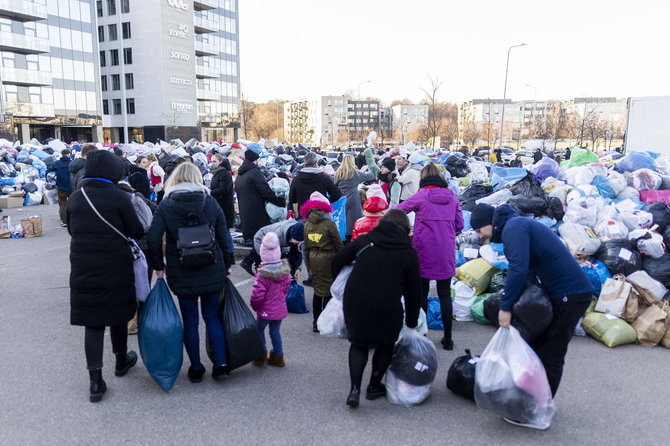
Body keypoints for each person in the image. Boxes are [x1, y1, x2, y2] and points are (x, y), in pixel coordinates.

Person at [470, 203, 593, 403]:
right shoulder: (516, 226)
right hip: (562, 292)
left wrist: (505, 307)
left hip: (571, 294)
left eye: (479, 230)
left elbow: (519, 269)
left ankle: (539, 410)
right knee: (538, 348)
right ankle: (527, 402)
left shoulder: (513, 227)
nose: (481, 236)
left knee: (552, 353)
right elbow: (525, 270)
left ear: (488, 223)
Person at [66, 150, 143, 402]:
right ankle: (121, 361)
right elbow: (135, 229)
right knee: (118, 315)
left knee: (93, 322)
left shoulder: (76, 198)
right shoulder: (118, 197)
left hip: (84, 267)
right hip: (115, 265)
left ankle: (95, 382)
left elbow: (71, 231)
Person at [146, 162, 234, 383]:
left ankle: (196, 367)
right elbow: (224, 235)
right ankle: (221, 364)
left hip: (181, 269)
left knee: (190, 321)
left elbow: (154, 238)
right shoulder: (210, 202)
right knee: (213, 317)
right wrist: (229, 263)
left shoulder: (166, 206)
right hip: (212, 266)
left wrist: (158, 265)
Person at [332, 209, 422, 408]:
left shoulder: (365, 241)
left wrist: (339, 283)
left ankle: (354, 389)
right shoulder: (408, 252)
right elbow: (414, 291)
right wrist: (412, 322)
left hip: (355, 300)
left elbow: (337, 260)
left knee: (358, 343)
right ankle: (373, 386)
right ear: (406, 229)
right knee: (385, 344)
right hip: (388, 305)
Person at [395, 163, 464, 350]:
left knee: (422, 293)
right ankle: (448, 338)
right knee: (444, 294)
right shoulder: (452, 197)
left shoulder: (421, 196)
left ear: (423, 178)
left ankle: (423, 334)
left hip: (423, 250)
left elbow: (399, 210)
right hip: (445, 250)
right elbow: (460, 224)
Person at [236, 144, 286, 276]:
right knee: (263, 239)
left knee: (258, 239)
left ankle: (258, 267)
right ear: (255, 160)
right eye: (259, 160)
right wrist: (281, 202)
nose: (260, 162)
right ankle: (249, 262)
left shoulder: (240, 175)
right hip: (257, 213)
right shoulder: (255, 173)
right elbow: (266, 192)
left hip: (246, 213)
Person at [301, 192, 343, 332]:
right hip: (328, 259)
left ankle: (315, 323)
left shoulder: (307, 224)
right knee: (329, 291)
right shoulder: (329, 224)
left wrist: (309, 266)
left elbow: (305, 248)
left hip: (313, 259)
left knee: (317, 291)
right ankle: (326, 322)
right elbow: (338, 244)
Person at [250, 232, 292, 368]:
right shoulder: (284, 271)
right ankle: (278, 357)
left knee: (259, 329)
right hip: (279, 309)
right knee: (275, 331)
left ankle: (260, 354)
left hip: (265, 311)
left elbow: (257, 295)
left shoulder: (262, 275)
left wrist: (255, 306)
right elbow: (286, 288)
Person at [333, 154, 376, 242]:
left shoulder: (338, 173)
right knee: (353, 219)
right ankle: (351, 237)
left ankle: (342, 236)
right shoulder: (355, 173)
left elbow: (334, 185)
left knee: (342, 218)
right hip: (353, 199)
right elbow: (371, 176)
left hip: (341, 199)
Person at [289, 151, 342, 218]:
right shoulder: (324, 178)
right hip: (321, 216)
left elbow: (292, 199)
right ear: (316, 163)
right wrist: (327, 201)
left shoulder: (296, 179)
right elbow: (337, 194)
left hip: (303, 215)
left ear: (304, 164)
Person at [209, 153, 235, 230]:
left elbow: (223, 190)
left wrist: (209, 192)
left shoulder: (224, 173)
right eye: (211, 161)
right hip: (219, 205)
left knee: (225, 232)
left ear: (220, 162)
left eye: (214, 161)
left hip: (224, 207)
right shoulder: (217, 173)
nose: (212, 164)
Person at [47, 148, 72, 227]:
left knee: (62, 204)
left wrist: (49, 181)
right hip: (71, 187)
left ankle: (65, 222)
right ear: (68, 155)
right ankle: (73, 219)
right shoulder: (72, 163)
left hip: (61, 187)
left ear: (62, 155)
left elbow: (48, 171)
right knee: (73, 203)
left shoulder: (57, 163)